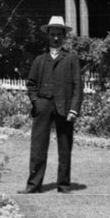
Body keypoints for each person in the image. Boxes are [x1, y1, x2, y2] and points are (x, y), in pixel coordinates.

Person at [23, 15, 84, 194]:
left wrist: (74, 109)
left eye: (59, 34)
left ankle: (64, 185)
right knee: (38, 146)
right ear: (48, 36)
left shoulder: (71, 59)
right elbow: (31, 84)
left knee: (65, 148)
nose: (56, 38)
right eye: (53, 34)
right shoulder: (40, 60)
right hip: (43, 106)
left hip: (64, 107)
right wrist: (36, 102)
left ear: (64, 36)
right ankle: (33, 186)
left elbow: (78, 87)